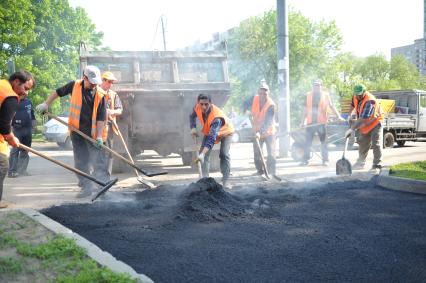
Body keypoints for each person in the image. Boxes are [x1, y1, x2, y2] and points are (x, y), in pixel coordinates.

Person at [36, 65, 107, 198]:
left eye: (95, 83)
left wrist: (98, 136)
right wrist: (47, 104)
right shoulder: (74, 86)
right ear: (84, 77)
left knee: (98, 161)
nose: (93, 85)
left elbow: (101, 118)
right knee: (81, 161)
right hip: (76, 132)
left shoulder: (100, 94)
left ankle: (104, 187)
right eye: (91, 83)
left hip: (92, 134)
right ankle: (86, 187)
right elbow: (57, 92)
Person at [0, 70, 35, 208]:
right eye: (25, 88)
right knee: (2, 164)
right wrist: (11, 138)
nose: (26, 92)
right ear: (16, 81)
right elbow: (3, 126)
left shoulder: (2, 84)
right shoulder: (10, 96)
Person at [189, 93, 234, 188]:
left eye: (206, 104)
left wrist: (202, 154)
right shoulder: (197, 107)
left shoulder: (216, 117)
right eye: (201, 104)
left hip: (226, 132)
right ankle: (205, 180)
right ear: (198, 103)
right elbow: (192, 116)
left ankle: (226, 181)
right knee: (204, 155)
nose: (204, 107)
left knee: (224, 154)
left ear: (210, 103)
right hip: (210, 131)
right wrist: (193, 127)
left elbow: (212, 138)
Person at [300, 79, 345, 166]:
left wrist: (338, 116)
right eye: (314, 85)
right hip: (310, 123)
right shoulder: (308, 95)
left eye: (318, 85)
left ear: (321, 86)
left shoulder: (326, 95)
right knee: (307, 142)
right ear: (312, 86)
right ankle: (305, 160)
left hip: (321, 123)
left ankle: (325, 160)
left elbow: (331, 106)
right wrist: (302, 122)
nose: (316, 87)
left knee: (324, 142)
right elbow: (305, 110)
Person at [345, 84, 384, 170]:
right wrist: (349, 115)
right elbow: (352, 104)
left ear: (364, 92)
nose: (358, 96)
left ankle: (377, 164)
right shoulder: (355, 96)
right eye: (356, 94)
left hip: (375, 122)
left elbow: (362, 118)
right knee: (362, 142)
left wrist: (352, 129)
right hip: (365, 122)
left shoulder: (370, 101)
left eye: (359, 94)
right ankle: (360, 163)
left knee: (376, 143)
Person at [251, 81, 277, 177]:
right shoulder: (255, 98)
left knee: (271, 153)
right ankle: (260, 171)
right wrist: (245, 110)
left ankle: (271, 172)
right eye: (260, 93)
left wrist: (260, 132)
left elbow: (268, 122)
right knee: (257, 152)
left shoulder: (271, 105)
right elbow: (246, 103)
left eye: (265, 93)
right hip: (256, 130)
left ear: (268, 93)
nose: (262, 95)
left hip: (269, 132)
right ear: (258, 92)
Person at [99, 71, 123, 179]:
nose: (111, 84)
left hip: (108, 129)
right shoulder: (95, 93)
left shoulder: (113, 95)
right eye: (109, 81)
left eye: (112, 82)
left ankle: (106, 179)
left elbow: (120, 110)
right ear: (103, 81)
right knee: (96, 154)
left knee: (109, 154)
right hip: (95, 129)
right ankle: (98, 178)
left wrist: (112, 112)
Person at [8, 94, 36, 178]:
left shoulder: (28, 102)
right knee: (15, 150)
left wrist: (34, 124)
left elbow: (32, 114)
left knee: (25, 150)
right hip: (17, 129)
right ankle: (12, 171)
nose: (25, 92)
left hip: (28, 129)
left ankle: (22, 171)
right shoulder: (13, 102)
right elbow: (9, 116)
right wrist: (10, 128)